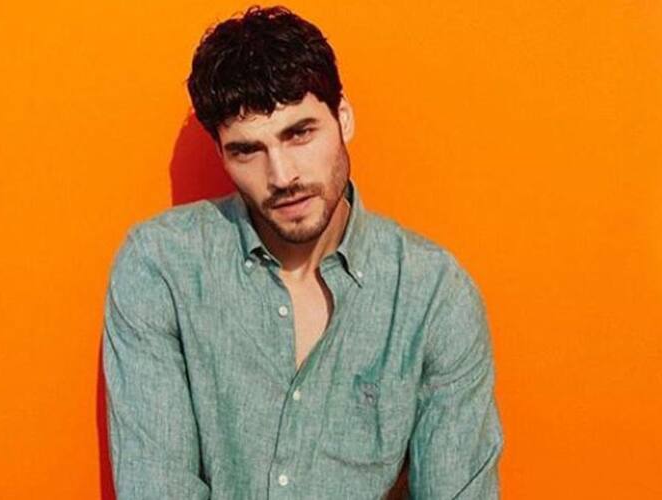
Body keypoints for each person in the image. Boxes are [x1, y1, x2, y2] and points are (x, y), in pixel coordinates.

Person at [102, 5, 502, 499]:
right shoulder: (161, 268)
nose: (282, 176)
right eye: (248, 150)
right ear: (221, 153)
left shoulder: (433, 296)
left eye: (300, 133)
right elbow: (156, 486)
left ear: (343, 118)